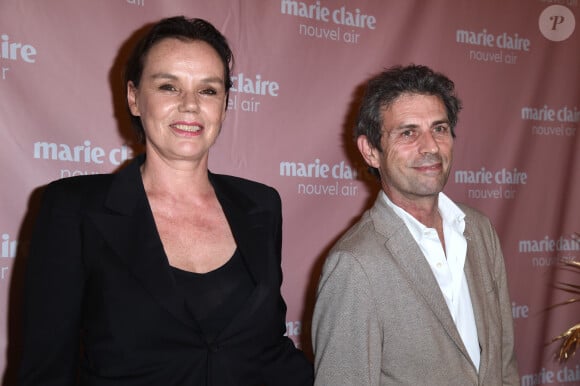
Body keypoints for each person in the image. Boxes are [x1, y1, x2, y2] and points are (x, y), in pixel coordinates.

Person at [18, 16, 313, 385]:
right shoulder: (74, 209)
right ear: (134, 98)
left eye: (208, 90)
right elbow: (45, 371)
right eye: (169, 87)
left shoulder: (262, 205)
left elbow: (268, 347)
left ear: (224, 105)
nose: (190, 105)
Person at [311, 64, 519, 385]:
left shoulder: (478, 230)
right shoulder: (353, 265)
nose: (431, 146)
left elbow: (503, 364)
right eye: (408, 132)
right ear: (370, 151)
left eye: (439, 128)